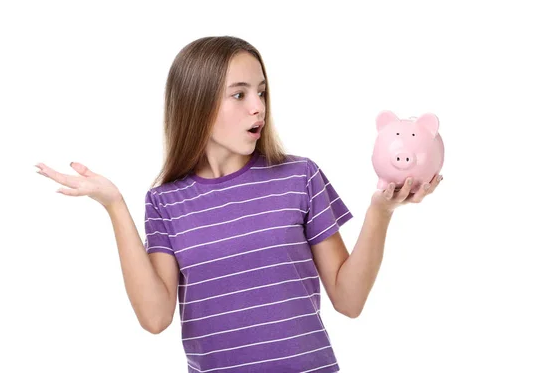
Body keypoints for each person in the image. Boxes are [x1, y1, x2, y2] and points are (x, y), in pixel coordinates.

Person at [35, 36, 442, 373]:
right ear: (197, 104)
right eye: (240, 94)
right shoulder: (165, 201)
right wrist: (115, 206)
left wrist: (381, 212)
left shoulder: (299, 176)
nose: (258, 106)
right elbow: (155, 318)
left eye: (262, 92)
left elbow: (349, 301)